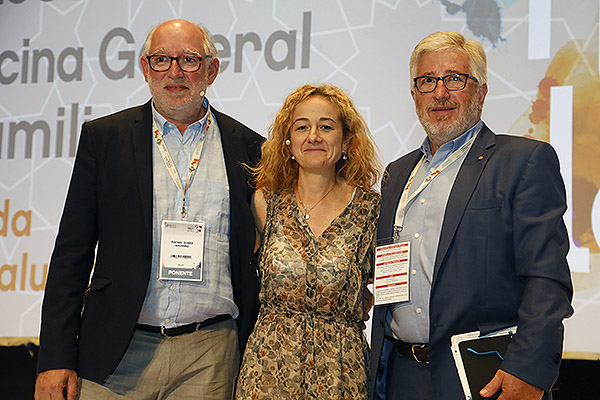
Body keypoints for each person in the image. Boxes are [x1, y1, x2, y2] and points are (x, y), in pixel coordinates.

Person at [34, 19, 264, 400]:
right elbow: (71, 253)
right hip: (116, 348)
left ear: (212, 70)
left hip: (209, 354)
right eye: (161, 59)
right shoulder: (105, 138)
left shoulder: (251, 148)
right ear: (145, 68)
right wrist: (54, 357)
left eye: (189, 60)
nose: (174, 71)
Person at [370, 31, 573, 400]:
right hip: (401, 374)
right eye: (427, 81)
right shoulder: (397, 173)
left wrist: (528, 369)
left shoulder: (522, 162)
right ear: (414, 95)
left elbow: (547, 280)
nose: (440, 92)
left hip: (485, 375)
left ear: (480, 92)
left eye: (455, 79)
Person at [234, 84, 382, 399]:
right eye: (302, 127)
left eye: (326, 127)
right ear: (288, 142)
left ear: (346, 141)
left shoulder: (372, 210)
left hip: (341, 376)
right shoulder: (265, 202)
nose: (313, 136)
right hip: (267, 375)